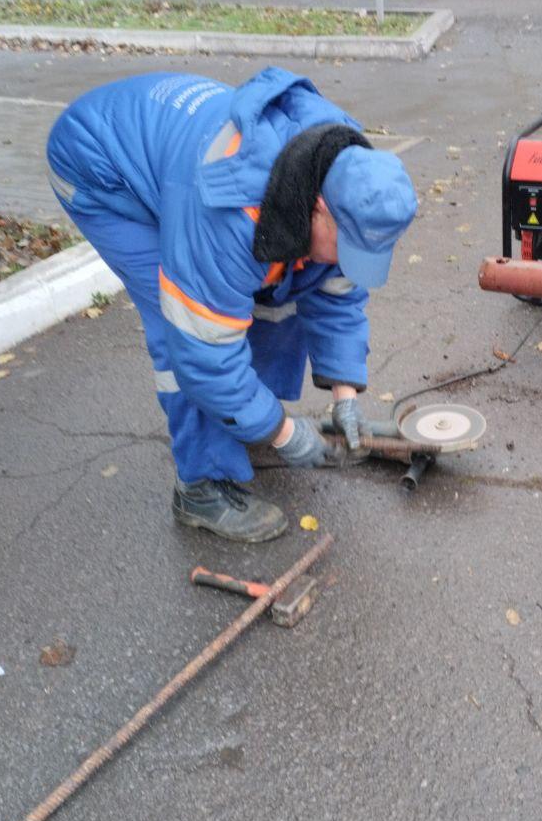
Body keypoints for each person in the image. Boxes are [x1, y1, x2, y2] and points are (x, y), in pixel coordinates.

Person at [46, 67, 418, 543]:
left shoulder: (349, 172)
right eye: (349, 246)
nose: (350, 262)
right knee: (181, 326)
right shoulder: (229, 216)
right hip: (102, 166)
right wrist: (283, 432)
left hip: (174, 146)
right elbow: (204, 352)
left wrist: (345, 395)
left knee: (285, 286)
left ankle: (242, 420)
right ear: (320, 207)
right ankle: (200, 487)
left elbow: (335, 290)